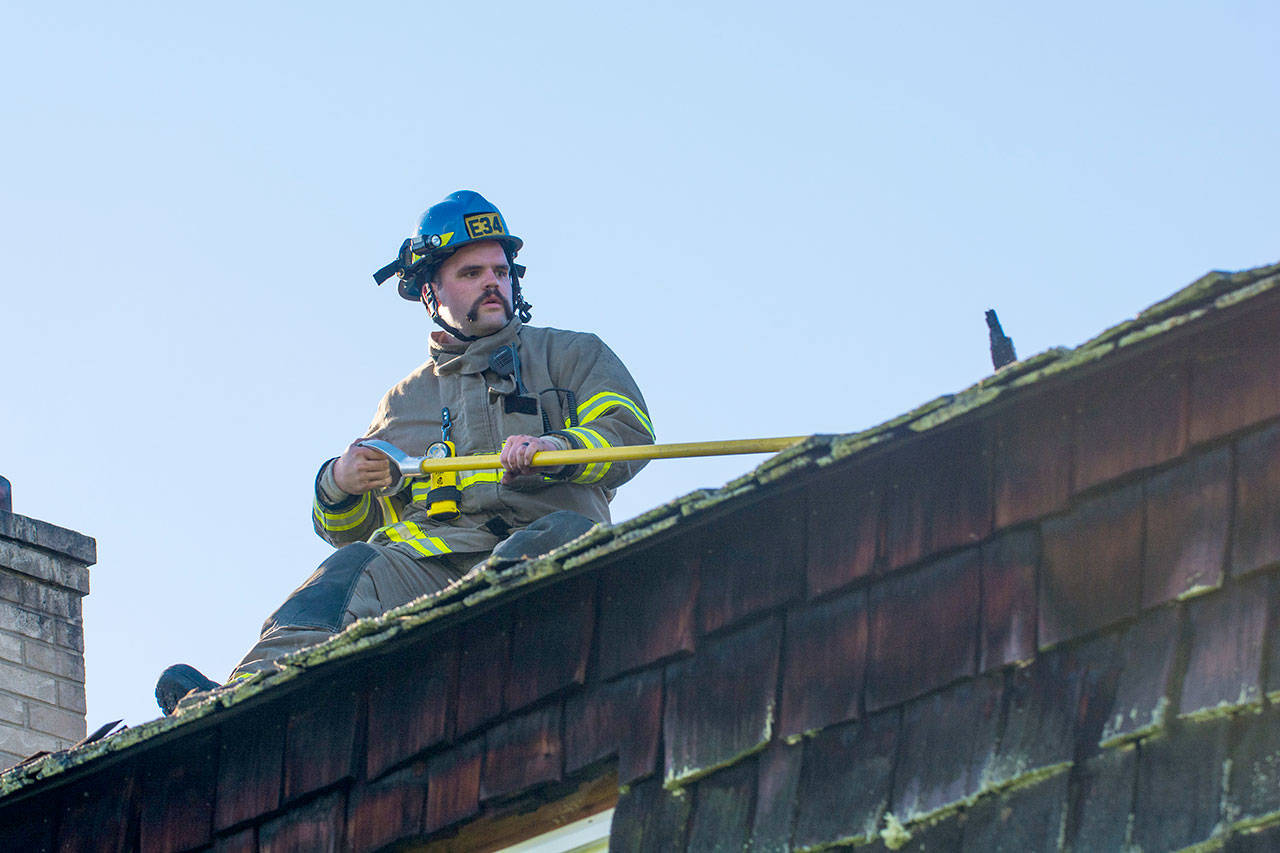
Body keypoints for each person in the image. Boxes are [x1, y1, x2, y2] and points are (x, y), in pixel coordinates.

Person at [156, 191, 653, 715]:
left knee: (558, 544)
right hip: (434, 568)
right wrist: (340, 484)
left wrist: (559, 448)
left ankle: (464, 657)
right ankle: (235, 700)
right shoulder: (403, 402)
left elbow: (630, 433)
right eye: (471, 273)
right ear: (431, 291)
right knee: (350, 570)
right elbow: (348, 527)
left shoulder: (572, 354)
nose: (493, 282)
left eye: (501, 271)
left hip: (542, 543)